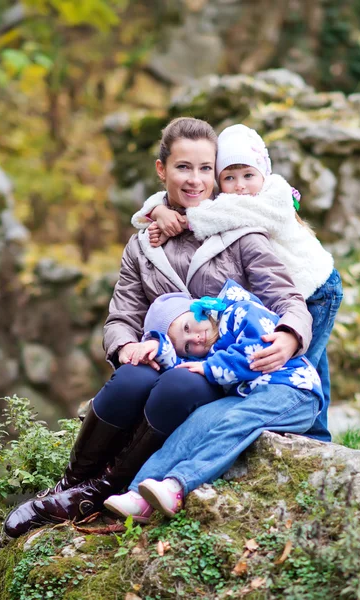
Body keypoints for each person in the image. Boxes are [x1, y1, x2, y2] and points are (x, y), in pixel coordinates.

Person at [3, 117, 313, 538]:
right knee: (130, 380)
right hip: (161, 351)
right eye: (184, 167)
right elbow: (122, 315)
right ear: (161, 170)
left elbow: (288, 298)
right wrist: (126, 346)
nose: (196, 180)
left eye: (207, 169)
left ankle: (104, 489)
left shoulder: (240, 233)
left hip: (221, 366)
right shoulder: (143, 245)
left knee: (177, 387)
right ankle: (71, 484)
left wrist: (290, 334)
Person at [131, 124, 343, 441]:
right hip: (293, 289)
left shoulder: (274, 197)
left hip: (316, 291)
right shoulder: (227, 202)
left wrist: (180, 220)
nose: (240, 186)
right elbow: (188, 201)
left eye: (248, 175)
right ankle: (318, 435)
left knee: (298, 367)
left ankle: (308, 437)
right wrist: (158, 209)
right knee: (316, 360)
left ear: (264, 172)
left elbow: (220, 213)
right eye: (229, 178)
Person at [104, 280, 323, 522]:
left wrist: (209, 367)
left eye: (188, 327)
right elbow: (187, 365)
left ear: (199, 309)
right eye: (187, 345)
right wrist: (158, 348)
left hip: (293, 390)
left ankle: (177, 485)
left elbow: (256, 352)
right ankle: (139, 495)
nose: (196, 339)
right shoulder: (207, 349)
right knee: (196, 422)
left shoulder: (241, 310)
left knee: (238, 422)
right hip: (247, 395)